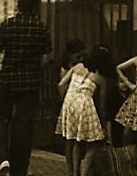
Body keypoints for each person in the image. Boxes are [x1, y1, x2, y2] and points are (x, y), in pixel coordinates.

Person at [0, 0, 52, 176]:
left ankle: (2, 159)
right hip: (30, 83)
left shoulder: (7, 25)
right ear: (35, 7)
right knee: (24, 125)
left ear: (18, 5)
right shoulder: (41, 27)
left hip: (7, 80)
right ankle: (19, 170)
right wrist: (35, 71)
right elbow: (47, 58)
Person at [56, 44, 114, 176]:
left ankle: (73, 173)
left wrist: (65, 100)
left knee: (76, 140)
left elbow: (60, 84)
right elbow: (103, 107)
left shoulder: (77, 67)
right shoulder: (100, 80)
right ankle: (84, 173)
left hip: (69, 103)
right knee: (94, 143)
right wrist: (103, 125)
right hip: (85, 106)